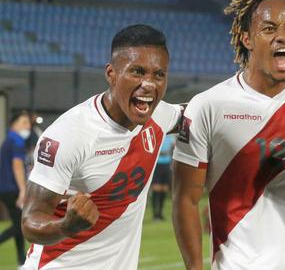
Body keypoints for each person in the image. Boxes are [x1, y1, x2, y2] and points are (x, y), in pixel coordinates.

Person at [172, 0, 285, 270]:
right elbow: (185, 201)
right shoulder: (209, 106)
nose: (282, 36)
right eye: (268, 28)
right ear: (247, 39)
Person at [20, 24, 182, 269]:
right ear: (111, 73)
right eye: (137, 72)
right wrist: (65, 226)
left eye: (158, 75)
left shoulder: (159, 115)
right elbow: (31, 221)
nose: (149, 84)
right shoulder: (68, 135)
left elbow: (202, 114)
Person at [0, 112, 32, 267]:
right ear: (14, 124)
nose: (28, 126)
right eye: (24, 122)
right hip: (13, 188)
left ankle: (21, 261)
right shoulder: (17, 140)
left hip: (5, 188)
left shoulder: (8, 140)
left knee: (18, 224)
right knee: (21, 225)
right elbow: (17, 165)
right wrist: (22, 190)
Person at [151, 134, 175, 220]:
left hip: (167, 165)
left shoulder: (171, 137)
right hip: (157, 164)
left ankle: (160, 213)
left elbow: (173, 149)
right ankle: (155, 214)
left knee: (164, 189)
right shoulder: (157, 134)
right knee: (156, 188)